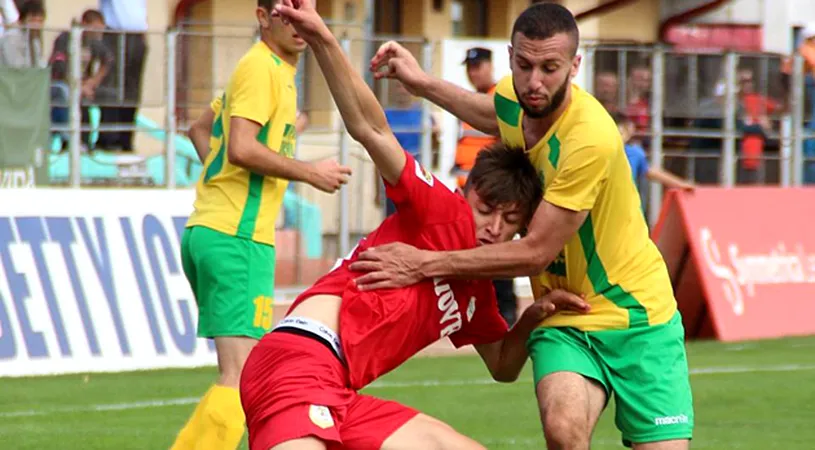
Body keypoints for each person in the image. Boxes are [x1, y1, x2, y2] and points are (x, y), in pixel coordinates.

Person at [239, 2, 590, 449]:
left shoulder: (476, 290)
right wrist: (325, 39)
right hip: (300, 359)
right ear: (468, 193)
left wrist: (535, 317)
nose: (493, 229)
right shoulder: (440, 208)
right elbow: (372, 129)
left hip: (341, 391)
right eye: (486, 210)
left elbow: (503, 365)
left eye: (510, 222)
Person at [356, 3, 694, 449]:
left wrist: (422, 264)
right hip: (566, 316)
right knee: (563, 429)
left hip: (639, 315)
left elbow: (535, 250)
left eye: (550, 68)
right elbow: (489, 111)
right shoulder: (518, 99)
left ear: (575, 66)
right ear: (512, 56)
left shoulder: (588, 138)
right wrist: (420, 83)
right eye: (524, 65)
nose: (535, 82)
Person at [169, 1, 352, 449]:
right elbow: (241, 148)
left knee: (244, 373)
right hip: (236, 238)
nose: (297, 23)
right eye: (284, 12)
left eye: (304, 10)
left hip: (216, 229)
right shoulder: (262, 69)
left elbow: (200, 130)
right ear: (262, 16)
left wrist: (223, 189)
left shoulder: (272, 71)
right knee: (242, 375)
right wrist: (310, 171)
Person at [454, 46, 518, 327]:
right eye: (469, 67)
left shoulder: (498, 100)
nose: (473, 72)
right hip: (469, 193)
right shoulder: (471, 102)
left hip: (492, 193)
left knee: (497, 252)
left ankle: (506, 312)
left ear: (491, 66)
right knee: (476, 252)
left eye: (478, 66)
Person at [612, 112, 694, 195]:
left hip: (628, 203)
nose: (620, 137)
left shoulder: (635, 153)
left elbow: (651, 172)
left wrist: (681, 184)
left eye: (623, 133)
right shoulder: (604, 152)